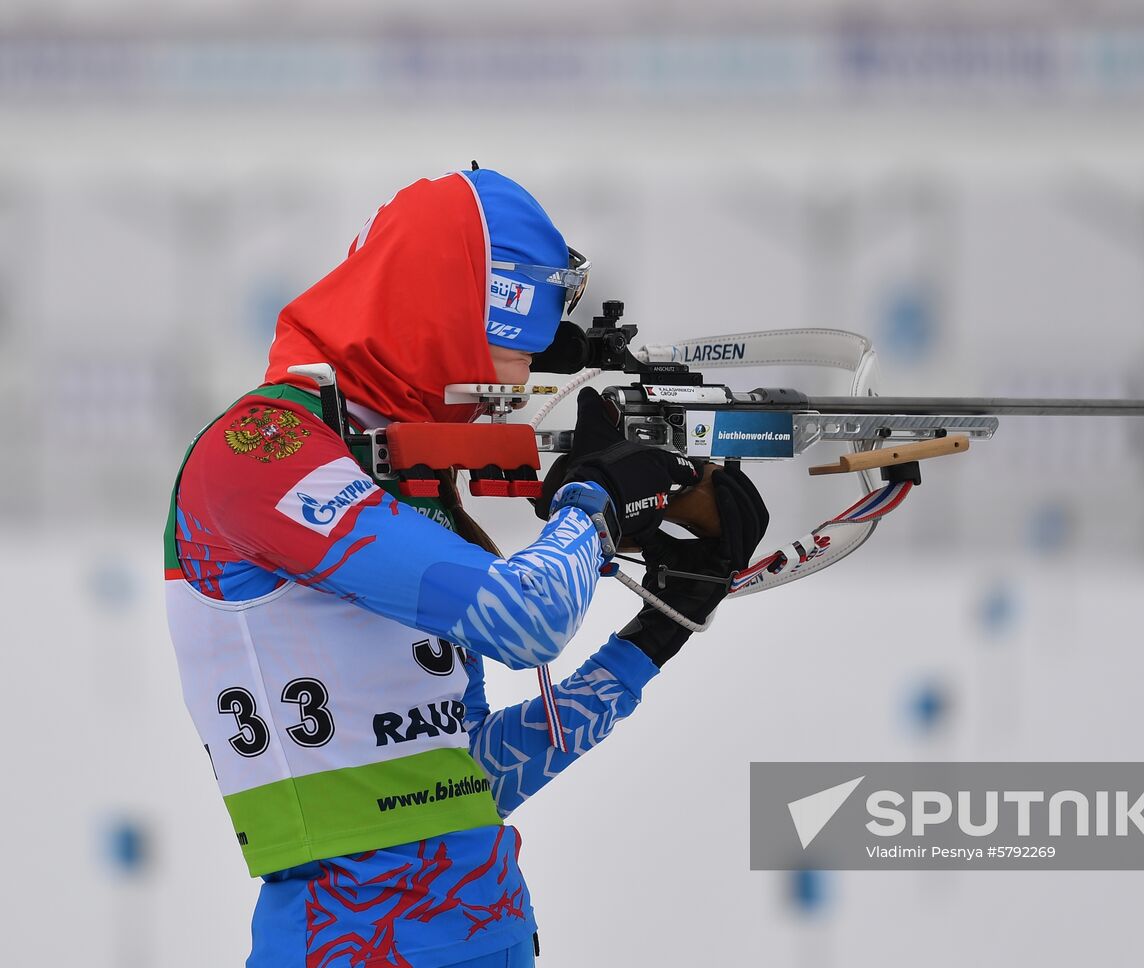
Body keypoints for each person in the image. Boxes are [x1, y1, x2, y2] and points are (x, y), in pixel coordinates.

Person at [163, 168, 769, 967]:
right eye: (521, 331)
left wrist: (655, 633)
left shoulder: (409, 485)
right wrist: (596, 500)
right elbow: (527, 620)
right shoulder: (257, 452)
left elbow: (467, 779)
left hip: (493, 939)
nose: (524, 375)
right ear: (443, 304)